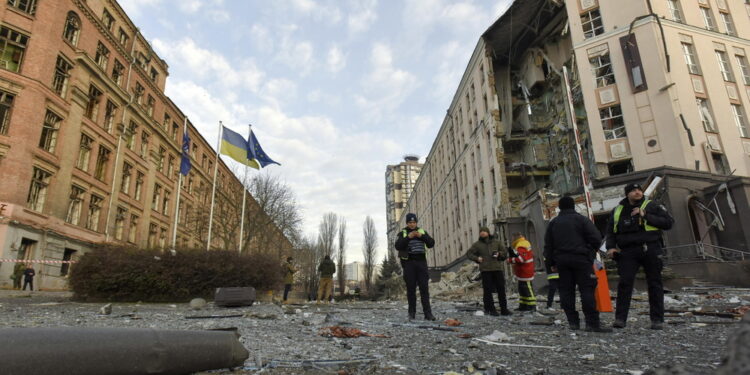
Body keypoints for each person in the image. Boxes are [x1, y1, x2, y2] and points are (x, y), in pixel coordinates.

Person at [607, 183, 674, 330]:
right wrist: (611, 247)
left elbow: (669, 223)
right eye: (633, 190)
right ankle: (620, 319)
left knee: (655, 283)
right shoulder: (618, 210)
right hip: (628, 251)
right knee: (624, 284)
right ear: (627, 194)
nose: (637, 192)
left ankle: (657, 320)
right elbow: (611, 232)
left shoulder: (652, 206)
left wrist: (646, 216)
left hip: (650, 247)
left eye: (639, 190)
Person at [544, 196, 611, 332]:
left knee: (566, 291)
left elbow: (548, 245)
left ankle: (573, 322)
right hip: (581, 260)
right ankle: (592, 323)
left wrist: (551, 262)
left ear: (560, 207)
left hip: (562, 261)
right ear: (573, 206)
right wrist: (591, 253)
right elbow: (596, 238)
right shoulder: (581, 220)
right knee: (587, 290)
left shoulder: (554, 223)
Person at [394, 213, 436, 321]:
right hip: (409, 263)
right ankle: (411, 313)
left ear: (416, 222)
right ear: (407, 223)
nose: (412, 224)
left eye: (413, 222)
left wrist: (421, 236)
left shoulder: (421, 231)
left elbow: (431, 243)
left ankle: (428, 314)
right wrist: (408, 237)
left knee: (424, 289)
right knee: (411, 289)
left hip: (421, 262)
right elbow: (398, 246)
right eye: (410, 222)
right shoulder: (403, 233)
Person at [466, 227, 511, 316]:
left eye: (484, 231)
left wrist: (499, 254)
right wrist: (477, 258)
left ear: (488, 232)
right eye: (481, 231)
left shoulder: (497, 242)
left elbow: (505, 253)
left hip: (497, 269)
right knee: (487, 291)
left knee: (501, 290)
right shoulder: (477, 245)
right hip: (486, 270)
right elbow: (469, 253)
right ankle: (490, 309)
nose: (482, 233)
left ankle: (504, 309)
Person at [508, 232, 536, 311]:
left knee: (527, 288)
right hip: (524, 270)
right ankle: (524, 305)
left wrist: (510, 260)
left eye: (513, 237)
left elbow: (521, 259)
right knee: (522, 289)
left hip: (525, 271)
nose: (512, 239)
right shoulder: (524, 243)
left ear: (516, 238)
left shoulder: (520, 246)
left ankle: (532, 306)